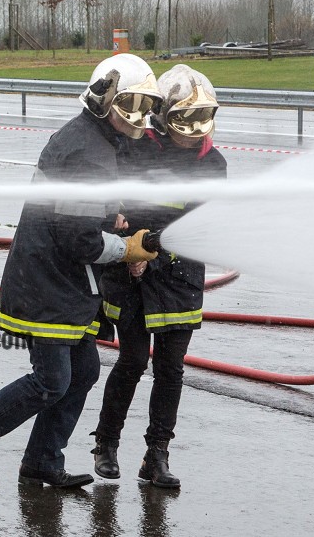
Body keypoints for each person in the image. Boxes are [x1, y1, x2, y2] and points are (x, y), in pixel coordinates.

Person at [0, 53, 161, 489]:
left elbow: (77, 214)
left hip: (62, 284)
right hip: (48, 284)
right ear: (105, 99)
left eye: (144, 106)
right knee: (52, 378)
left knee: (82, 371)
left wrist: (109, 213)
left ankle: (43, 460)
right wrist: (127, 249)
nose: (138, 117)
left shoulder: (94, 141)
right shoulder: (88, 152)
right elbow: (77, 239)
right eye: (130, 104)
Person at [92, 65, 226, 489]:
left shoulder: (212, 164)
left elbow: (204, 223)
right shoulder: (134, 149)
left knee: (170, 368)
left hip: (179, 274)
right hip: (128, 272)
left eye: (202, 120)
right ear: (162, 117)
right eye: (185, 121)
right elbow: (115, 207)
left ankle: (157, 455)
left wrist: (155, 249)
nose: (195, 133)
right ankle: (106, 445)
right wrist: (131, 247)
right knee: (131, 361)